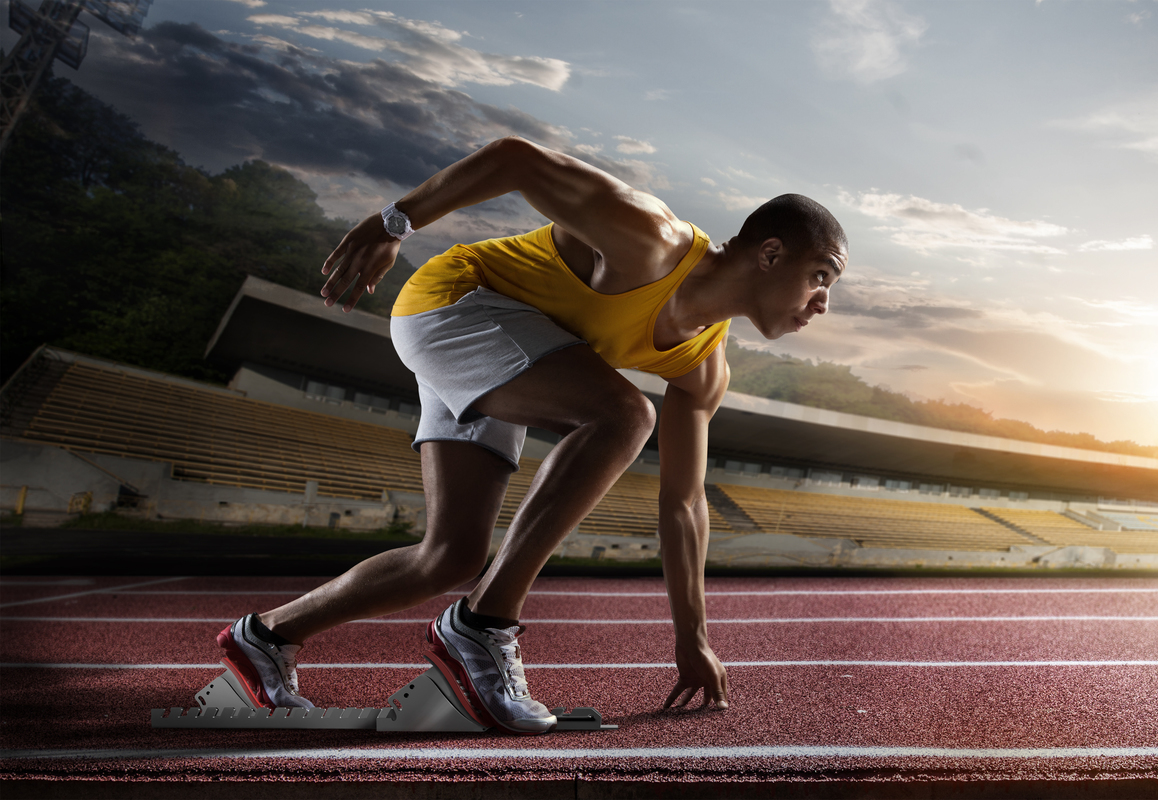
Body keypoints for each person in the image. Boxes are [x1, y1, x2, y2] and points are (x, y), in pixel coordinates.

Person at [213, 135, 847, 735]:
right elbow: (516, 159)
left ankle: (265, 637)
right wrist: (392, 223)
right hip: (457, 302)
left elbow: (683, 504)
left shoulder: (704, 367)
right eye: (823, 275)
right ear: (769, 253)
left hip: (514, 351)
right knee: (625, 414)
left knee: (452, 555)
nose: (824, 303)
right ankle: (483, 627)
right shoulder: (650, 239)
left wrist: (693, 637)